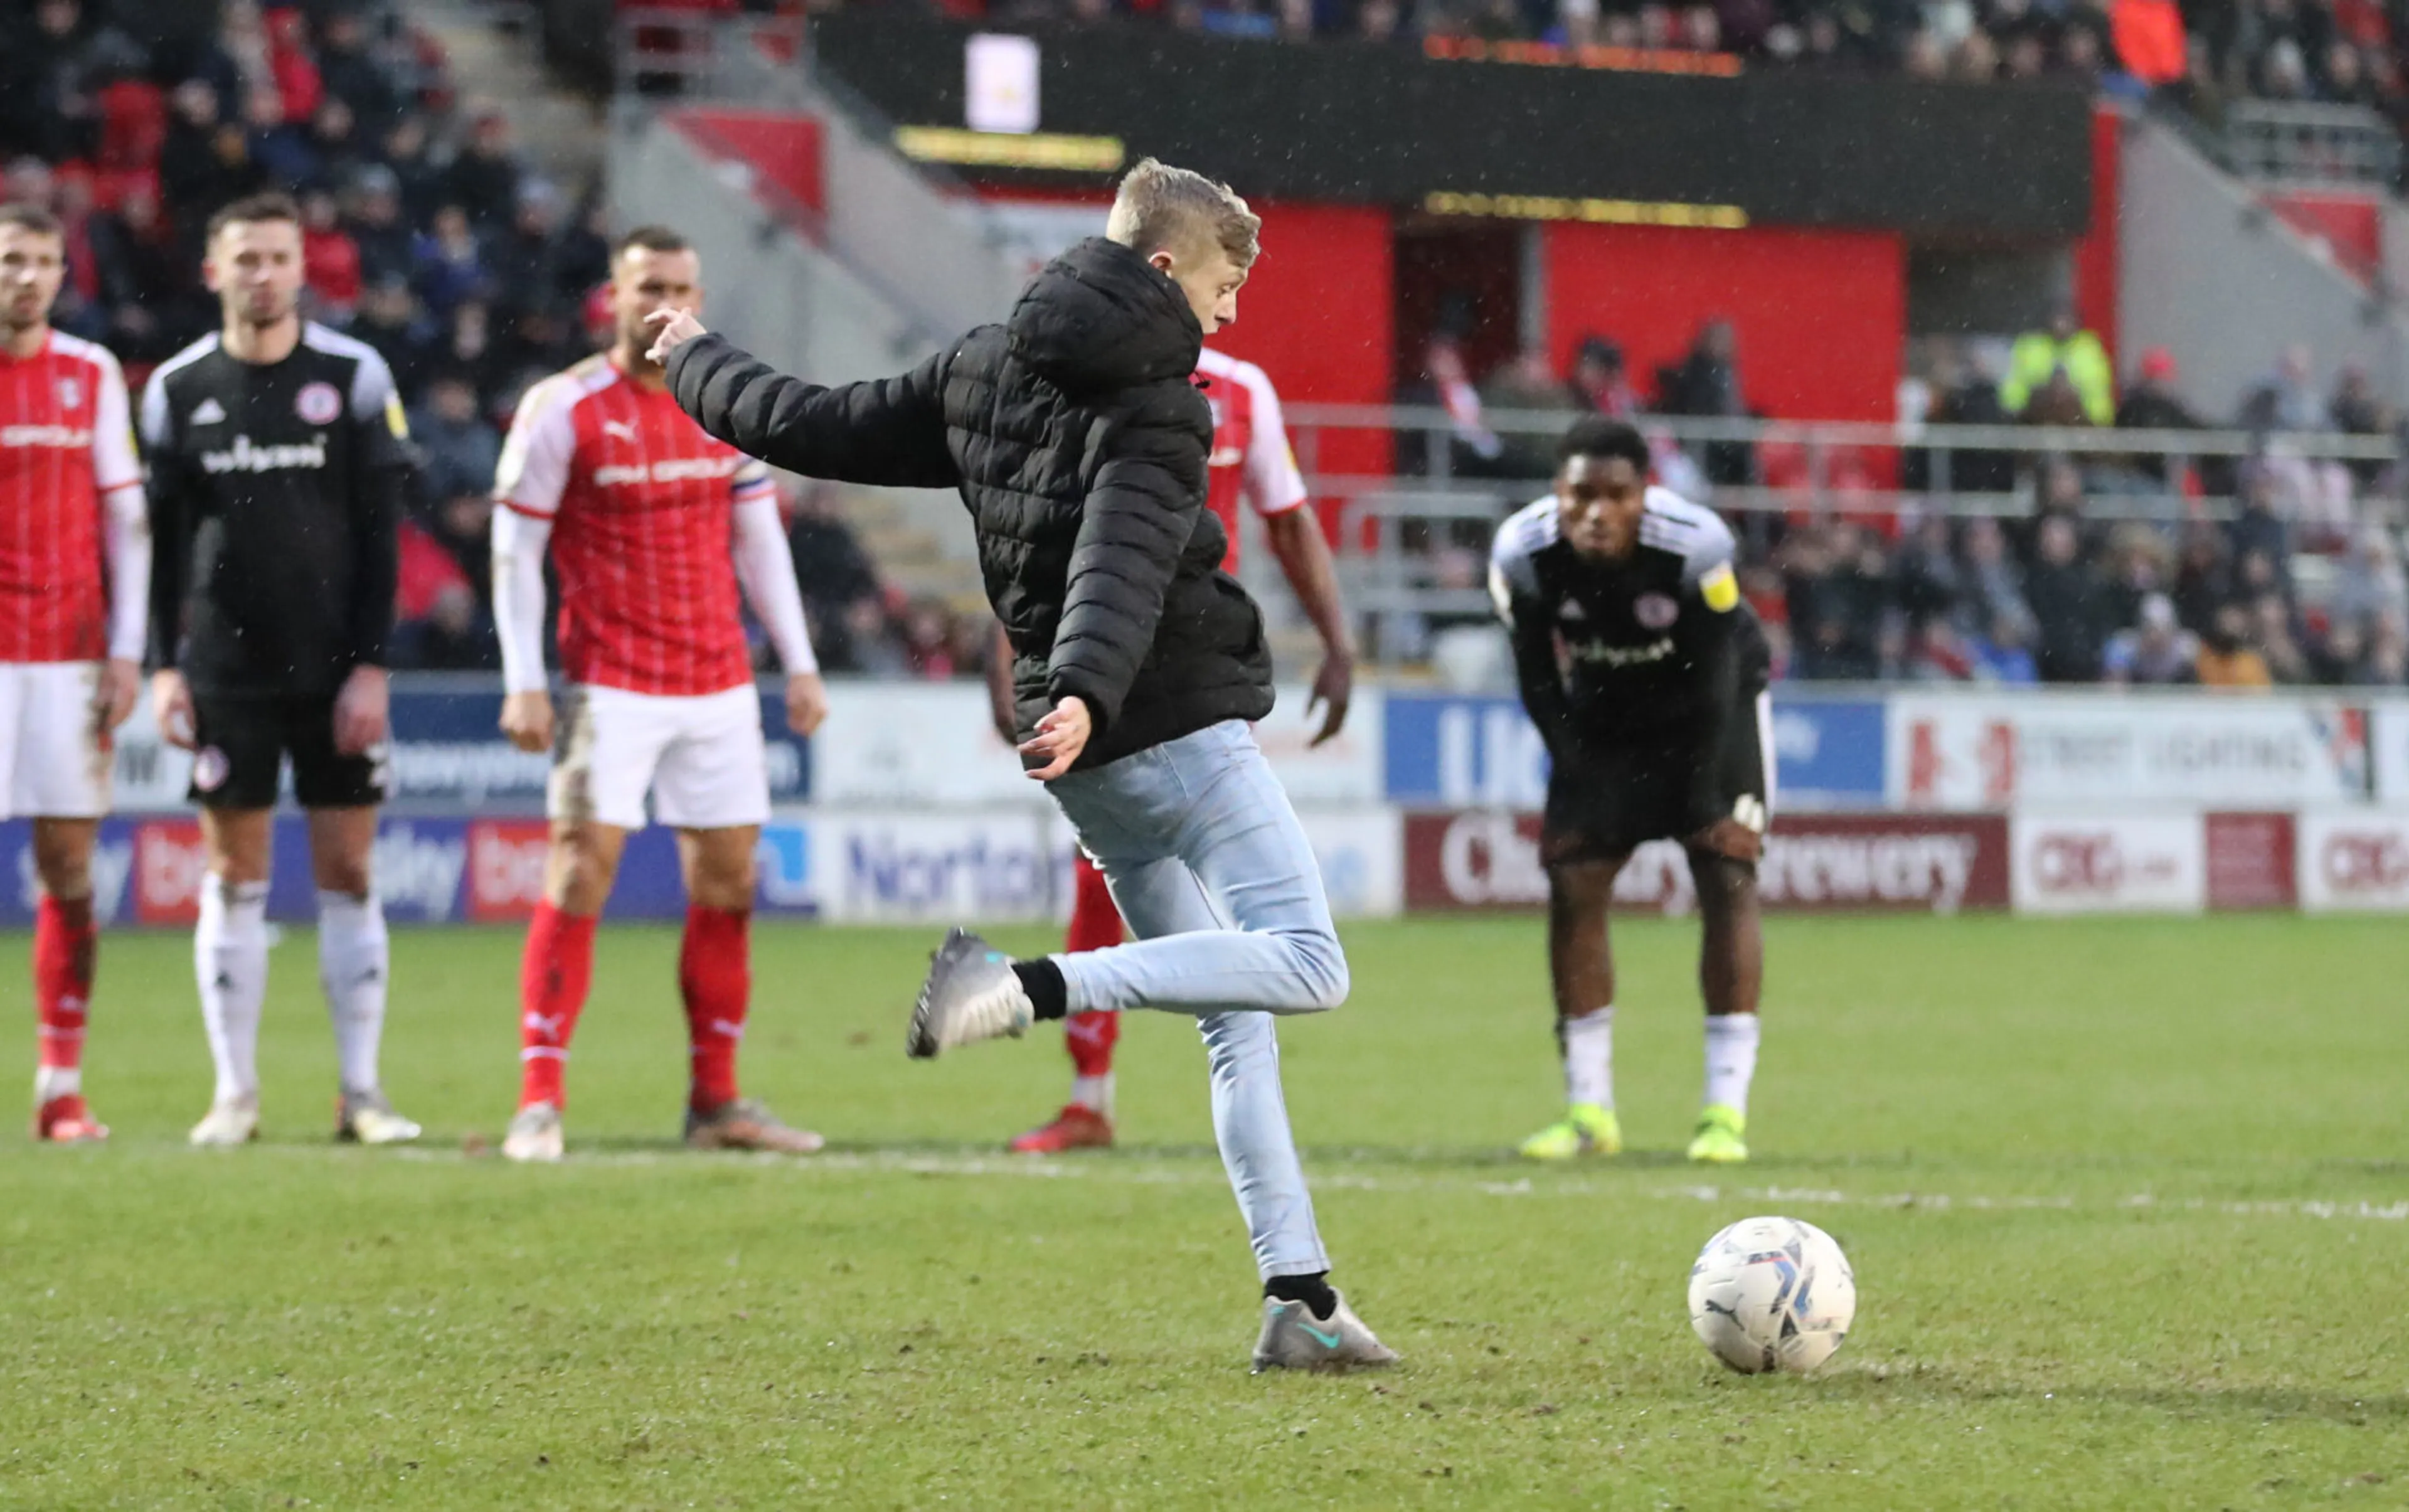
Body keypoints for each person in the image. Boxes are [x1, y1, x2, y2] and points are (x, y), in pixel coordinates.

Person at [652, 158, 1396, 1373]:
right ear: (1165, 268)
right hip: (1167, 728)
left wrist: (693, 357)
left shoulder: (981, 364)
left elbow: (808, 421)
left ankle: (1299, 1296)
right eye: (1225, 281)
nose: (1233, 311)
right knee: (1309, 965)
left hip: (1082, 753)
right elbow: (1124, 552)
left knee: (1234, 1024)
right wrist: (1096, 690)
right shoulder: (1164, 399)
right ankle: (1024, 985)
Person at [491, 225, 829, 1164]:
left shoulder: (723, 399)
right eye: (647, 286)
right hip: (610, 686)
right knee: (579, 871)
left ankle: (715, 1101)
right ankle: (539, 1099)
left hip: (719, 683)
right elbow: (515, 548)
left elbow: (760, 537)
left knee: (728, 883)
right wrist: (524, 681)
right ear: (613, 295)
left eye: (679, 285)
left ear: (700, 295)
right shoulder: (563, 408)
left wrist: (798, 663)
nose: (663, 302)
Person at [993, 342, 1356, 1156]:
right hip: (1092, 663)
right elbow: (1023, 528)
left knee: (1253, 914)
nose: (1220, 301)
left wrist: (1337, 641)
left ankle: (1240, 1085)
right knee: (1103, 886)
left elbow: (1289, 519)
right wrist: (1009, 658)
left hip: (1196, 676)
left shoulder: (1243, 388)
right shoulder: (1079, 377)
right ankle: (1091, 1094)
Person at [139, 193, 419, 1148]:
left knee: (348, 867)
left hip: (337, 668)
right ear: (215, 272)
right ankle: (236, 1094)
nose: (264, 274)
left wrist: (374, 667)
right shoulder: (178, 388)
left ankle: (362, 1093)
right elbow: (161, 544)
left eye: (279, 258)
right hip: (225, 670)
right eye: (246, 258)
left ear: (305, 269)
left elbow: (383, 536)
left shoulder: (353, 373)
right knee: (234, 869)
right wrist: (160, 668)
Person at [1489, 418, 1773, 1168]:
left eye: (1616, 496)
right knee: (1575, 875)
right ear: (1558, 493)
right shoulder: (1521, 551)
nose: (1597, 512)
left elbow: (1716, 678)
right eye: (1581, 494)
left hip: (1711, 705)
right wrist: (1571, 765)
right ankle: (1589, 1114)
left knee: (1726, 870)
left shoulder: (1699, 544)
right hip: (1605, 705)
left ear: (1645, 496)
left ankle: (1723, 1115)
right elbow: (1537, 675)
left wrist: (1708, 795)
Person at [0, 204, 149, 1144]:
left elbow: (127, 521)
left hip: (65, 657)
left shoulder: (89, 374)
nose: (27, 277)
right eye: (13, 260)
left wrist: (129, 649)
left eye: (44, 262)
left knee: (67, 867)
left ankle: (61, 1084)